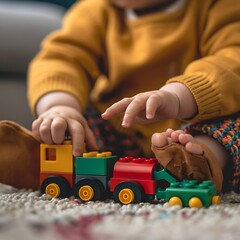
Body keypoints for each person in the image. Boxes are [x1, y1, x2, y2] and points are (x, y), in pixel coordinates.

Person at [28, 0, 240, 193]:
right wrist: (59, 106)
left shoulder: (219, 7)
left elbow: (231, 60)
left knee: (231, 126)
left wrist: (177, 96)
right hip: (116, 132)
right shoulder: (94, 12)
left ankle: (197, 164)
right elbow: (63, 59)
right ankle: (37, 159)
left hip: (192, 129)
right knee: (72, 123)